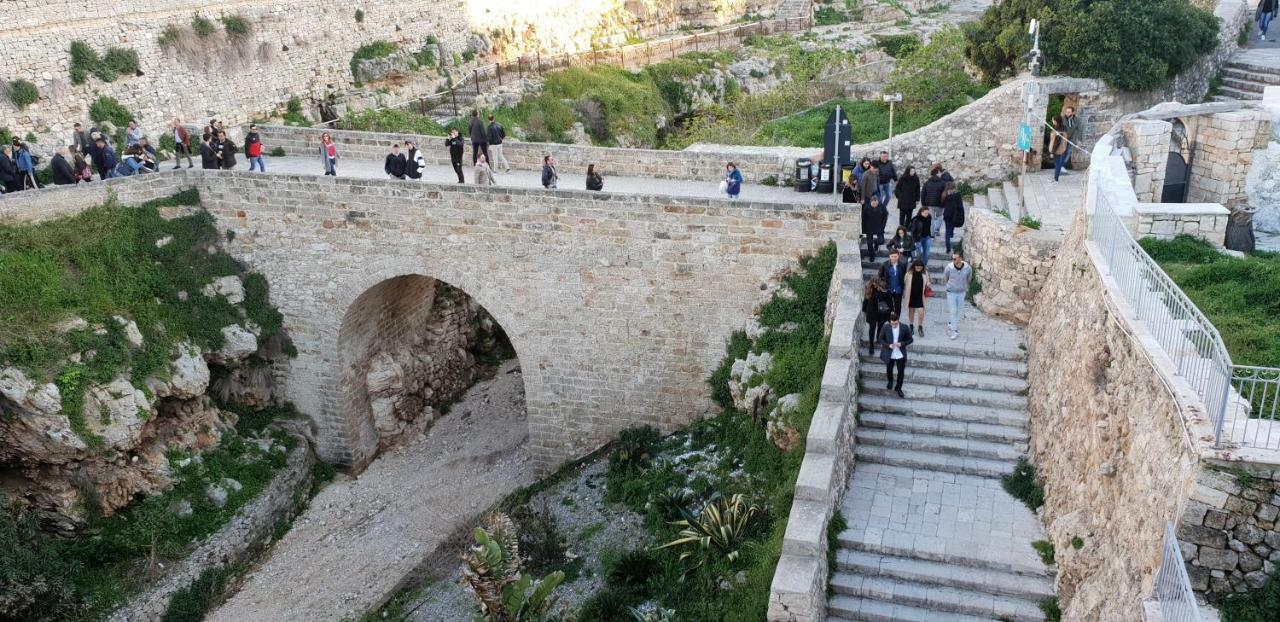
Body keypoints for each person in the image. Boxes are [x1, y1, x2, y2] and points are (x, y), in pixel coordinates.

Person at [879, 311, 914, 398]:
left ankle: (898, 388)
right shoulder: (886, 327)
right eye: (892, 324)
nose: (894, 325)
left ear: (898, 320)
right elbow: (880, 339)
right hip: (889, 353)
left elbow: (910, 339)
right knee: (889, 369)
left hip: (900, 353)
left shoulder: (904, 327)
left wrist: (901, 344)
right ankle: (890, 381)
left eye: (895, 323)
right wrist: (888, 345)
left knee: (901, 372)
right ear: (890, 321)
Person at [943, 250, 974, 341]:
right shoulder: (949, 268)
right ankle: (954, 331)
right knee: (953, 310)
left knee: (958, 310)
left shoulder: (968, 268)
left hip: (961, 292)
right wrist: (951, 286)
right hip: (951, 292)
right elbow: (946, 278)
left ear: (960, 258)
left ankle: (950, 322)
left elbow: (969, 278)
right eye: (952, 258)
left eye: (955, 258)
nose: (953, 260)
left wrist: (964, 286)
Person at [862, 277, 891, 356]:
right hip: (872, 312)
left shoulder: (882, 289)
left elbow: (888, 300)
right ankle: (871, 345)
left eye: (876, 283)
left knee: (880, 326)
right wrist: (864, 310)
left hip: (881, 313)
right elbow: (866, 300)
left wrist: (890, 311)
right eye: (873, 283)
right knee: (872, 329)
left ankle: (878, 338)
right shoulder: (869, 289)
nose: (875, 285)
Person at [902, 258, 932, 337]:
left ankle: (920, 326)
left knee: (921, 311)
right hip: (911, 295)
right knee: (911, 311)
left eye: (920, 267)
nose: (918, 268)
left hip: (920, 296)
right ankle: (911, 325)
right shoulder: (909, 273)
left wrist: (928, 284)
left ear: (922, 267)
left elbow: (928, 281)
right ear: (914, 266)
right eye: (917, 267)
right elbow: (905, 282)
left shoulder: (925, 273)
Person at [878, 248, 908, 316]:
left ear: (898, 256)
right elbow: (879, 276)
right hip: (888, 289)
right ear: (889, 256)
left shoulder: (903, 265)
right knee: (889, 306)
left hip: (898, 289)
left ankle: (896, 321)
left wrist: (904, 288)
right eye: (892, 256)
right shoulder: (884, 265)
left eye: (895, 256)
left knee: (898, 307)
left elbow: (904, 276)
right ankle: (890, 321)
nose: (894, 258)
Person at [942, 182, 965, 254]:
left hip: (947, 214)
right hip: (954, 215)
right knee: (952, 226)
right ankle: (951, 234)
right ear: (954, 188)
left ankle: (948, 248)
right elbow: (960, 206)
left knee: (947, 231)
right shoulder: (957, 195)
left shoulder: (945, 194)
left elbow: (943, 204)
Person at [861, 194, 887, 260]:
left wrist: (883, 226)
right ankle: (872, 255)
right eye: (873, 203)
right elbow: (863, 219)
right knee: (869, 243)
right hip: (869, 228)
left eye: (876, 203)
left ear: (878, 202)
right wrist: (863, 230)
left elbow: (885, 217)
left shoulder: (882, 207)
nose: (875, 205)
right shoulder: (867, 208)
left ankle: (876, 242)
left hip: (879, 227)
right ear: (871, 202)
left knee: (881, 240)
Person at [1048, 115, 1068, 182]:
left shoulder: (1058, 131)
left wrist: (1052, 152)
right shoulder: (1063, 128)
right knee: (1058, 163)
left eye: (1053, 120)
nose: (1052, 121)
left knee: (1057, 164)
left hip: (1057, 150)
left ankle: (1056, 178)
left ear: (1056, 121)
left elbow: (1056, 142)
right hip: (1061, 149)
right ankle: (1056, 177)